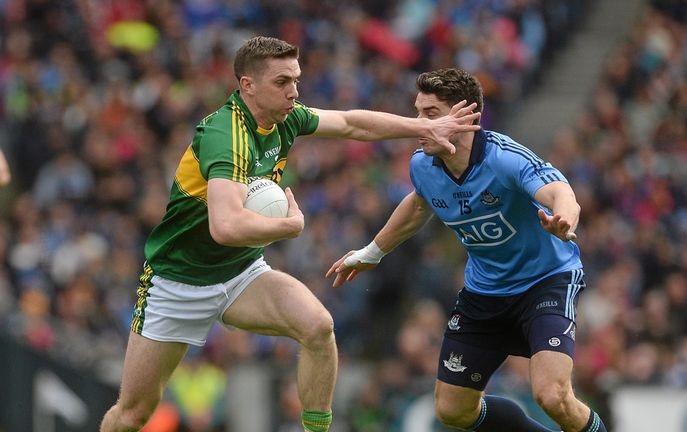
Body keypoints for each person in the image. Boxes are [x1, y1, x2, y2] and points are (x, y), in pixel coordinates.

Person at [100, 37, 480, 432]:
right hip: (178, 284)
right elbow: (226, 226)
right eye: (283, 82)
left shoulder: (287, 117)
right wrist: (288, 227)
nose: (294, 91)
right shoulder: (225, 135)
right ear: (248, 85)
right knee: (133, 414)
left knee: (318, 328)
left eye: (296, 80)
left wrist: (423, 126)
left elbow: (352, 123)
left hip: (239, 274)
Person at [328, 68, 608, 432]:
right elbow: (417, 205)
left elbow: (560, 191)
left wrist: (565, 218)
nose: (419, 123)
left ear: (467, 116)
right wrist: (371, 253)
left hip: (545, 282)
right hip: (485, 292)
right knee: (453, 410)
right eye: (417, 112)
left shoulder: (504, 158)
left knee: (552, 396)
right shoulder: (423, 165)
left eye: (430, 113)